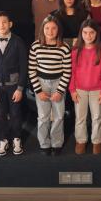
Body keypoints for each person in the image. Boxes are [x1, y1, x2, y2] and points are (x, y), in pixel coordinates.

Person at [0, 11, 29, 157]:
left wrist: (20, 88)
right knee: (0, 114)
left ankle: (17, 138)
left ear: (10, 24)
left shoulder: (18, 42)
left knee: (15, 113)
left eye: (4, 22)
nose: (2, 25)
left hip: (14, 87)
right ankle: (3, 139)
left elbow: (23, 66)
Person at [29, 15, 72, 155]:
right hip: (41, 83)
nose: (50, 31)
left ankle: (56, 143)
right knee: (43, 116)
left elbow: (67, 71)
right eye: (47, 28)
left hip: (58, 82)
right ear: (42, 29)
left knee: (59, 115)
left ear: (58, 30)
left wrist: (60, 91)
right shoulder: (36, 46)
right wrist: (38, 91)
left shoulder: (64, 47)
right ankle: (44, 143)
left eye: (54, 28)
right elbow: (32, 70)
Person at [69, 20, 101, 155]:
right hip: (79, 90)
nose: (88, 36)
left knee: (97, 117)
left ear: (96, 34)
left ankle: (97, 141)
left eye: (91, 33)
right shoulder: (75, 51)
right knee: (80, 117)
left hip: (97, 90)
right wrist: (72, 90)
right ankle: (81, 140)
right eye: (85, 32)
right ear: (81, 33)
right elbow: (71, 72)